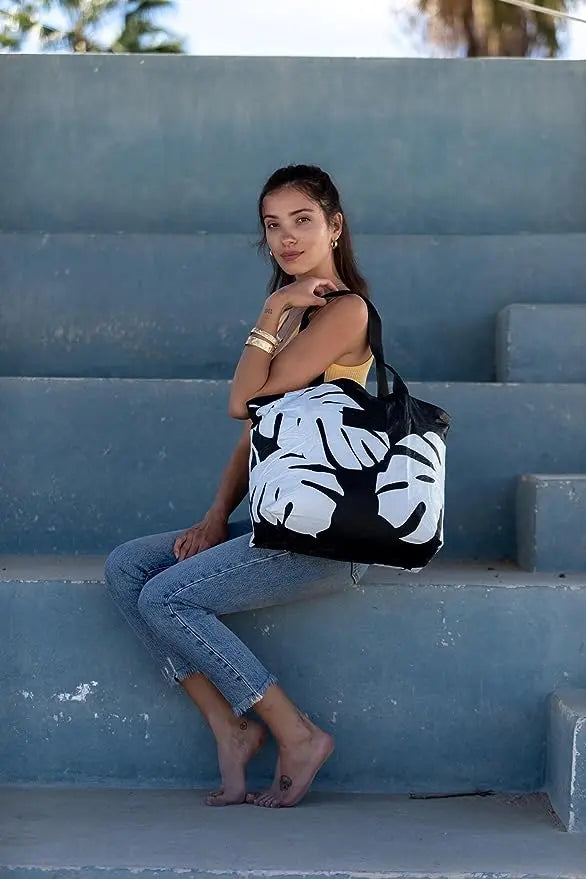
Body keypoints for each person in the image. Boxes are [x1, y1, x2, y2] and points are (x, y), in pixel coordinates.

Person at [104, 164, 374, 809]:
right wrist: (215, 515)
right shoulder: (296, 318)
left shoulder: (345, 313)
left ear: (335, 226)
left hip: (324, 534)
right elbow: (255, 430)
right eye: (272, 226)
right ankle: (230, 726)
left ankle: (296, 733)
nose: (286, 238)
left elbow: (241, 401)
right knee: (127, 568)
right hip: (273, 519)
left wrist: (273, 308)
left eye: (302, 221)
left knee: (166, 598)